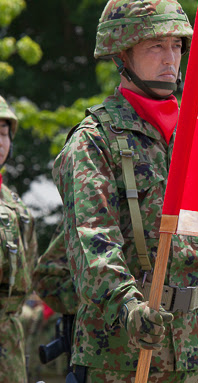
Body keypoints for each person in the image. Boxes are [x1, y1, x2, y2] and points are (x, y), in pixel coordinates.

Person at [51, 1, 198, 382]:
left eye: (176, 46)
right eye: (155, 46)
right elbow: (93, 243)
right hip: (124, 355)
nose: (171, 58)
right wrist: (130, 307)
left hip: (196, 351)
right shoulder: (95, 141)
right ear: (123, 54)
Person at [0, 95, 38, 383]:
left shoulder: (15, 206)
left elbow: (31, 271)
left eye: (3, 133)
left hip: (9, 341)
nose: (0, 141)